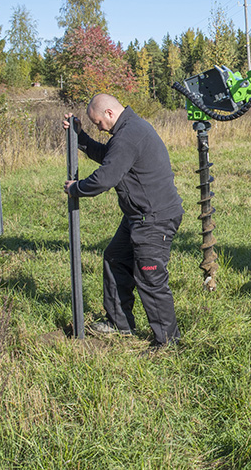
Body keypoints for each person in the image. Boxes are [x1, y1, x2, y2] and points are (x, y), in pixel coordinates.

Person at [63, 94, 184, 350]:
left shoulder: (130, 134)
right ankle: (120, 324)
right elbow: (110, 157)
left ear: (109, 113)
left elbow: (105, 177)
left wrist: (77, 188)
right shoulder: (128, 129)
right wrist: (81, 138)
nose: (99, 128)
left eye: (97, 123)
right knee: (115, 258)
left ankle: (168, 342)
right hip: (137, 216)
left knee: (150, 278)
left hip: (154, 218)